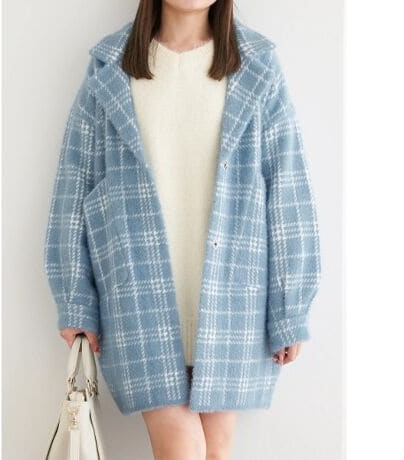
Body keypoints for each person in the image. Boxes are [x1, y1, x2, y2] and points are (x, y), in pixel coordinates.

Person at [44, 1, 321, 459]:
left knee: (216, 451)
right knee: (182, 449)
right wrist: (75, 297)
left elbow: (288, 189)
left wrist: (290, 308)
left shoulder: (256, 64)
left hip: (236, 301)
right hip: (137, 298)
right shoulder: (110, 66)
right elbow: (74, 188)